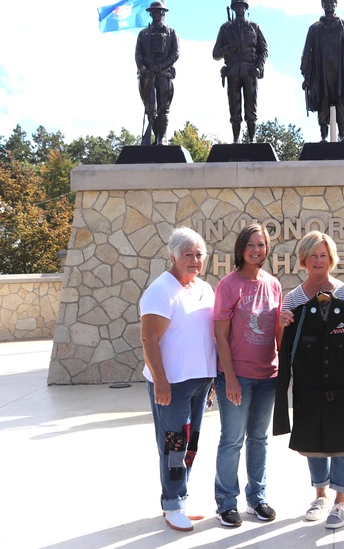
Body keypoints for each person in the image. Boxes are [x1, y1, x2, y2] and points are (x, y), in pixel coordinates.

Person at [273, 232, 344, 530]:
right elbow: (285, 348)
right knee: (314, 444)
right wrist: (281, 327)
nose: (318, 261)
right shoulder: (293, 299)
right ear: (304, 260)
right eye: (313, 256)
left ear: (331, 259)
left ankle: (340, 501)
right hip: (309, 387)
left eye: (323, 255)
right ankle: (319, 495)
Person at [139, 227, 217, 532]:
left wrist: (210, 382)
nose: (195, 260)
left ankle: (179, 498)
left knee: (190, 444)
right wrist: (160, 382)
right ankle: (172, 504)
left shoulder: (205, 289)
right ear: (173, 256)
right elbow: (148, 339)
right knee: (174, 445)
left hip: (200, 382)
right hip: (172, 385)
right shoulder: (161, 290)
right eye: (188, 254)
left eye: (199, 255)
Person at [213, 223, 282, 527]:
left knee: (259, 439)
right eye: (251, 245)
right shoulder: (228, 285)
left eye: (262, 245)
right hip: (237, 376)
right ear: (241, 248)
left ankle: (257, 498)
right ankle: (226, 502)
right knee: (232, 439)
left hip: (268, 376)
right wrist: (229, 378)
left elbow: (278, 331)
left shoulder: (273, 284)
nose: (257, 250)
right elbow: (220, 336)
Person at [300, 0, 344, 142]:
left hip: (340, 72)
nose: (329, 5)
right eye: (326, 3)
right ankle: (323, 136)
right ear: (322, 5)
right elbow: (307, 54)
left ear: (336, 4)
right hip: (322, 73)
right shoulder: (315, 29)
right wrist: (307, 76)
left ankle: (343, 135)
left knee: (341, 103)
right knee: (323, 102)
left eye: (332, 3)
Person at [213, 0, 268, 143]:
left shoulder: (254, 27)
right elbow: (215, 53)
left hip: (250, 71)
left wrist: (259, 66)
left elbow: (264, 50)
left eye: (242, 6)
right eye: (236, 6)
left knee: (251, 107)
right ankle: (236, 138)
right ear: (233, 8)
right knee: (234, 106)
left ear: (246, 8)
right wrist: (228, 48)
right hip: (232, 71)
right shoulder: (225, 28)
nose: (239, 9)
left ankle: (252, 138)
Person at [135, 0, 180, 145]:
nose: (156, 14)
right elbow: (138, 54)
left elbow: (175, 54)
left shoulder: (171, 32)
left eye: (159, 12)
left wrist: (160, 66)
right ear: (150, 14)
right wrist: (143, 68)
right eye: (154, 12)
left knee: (163, 108)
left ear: (163, 13)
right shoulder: (143, 34)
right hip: (147, 75)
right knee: (150, 108)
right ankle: (154, 136)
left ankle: (161, 138)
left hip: (164, 74)